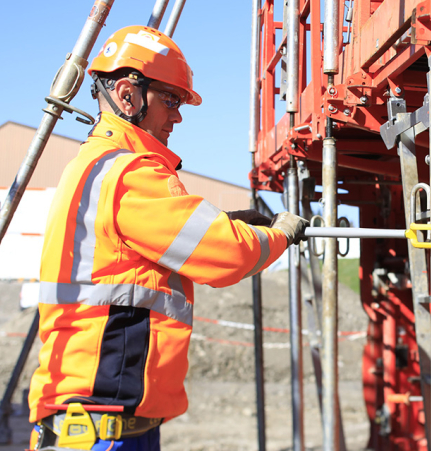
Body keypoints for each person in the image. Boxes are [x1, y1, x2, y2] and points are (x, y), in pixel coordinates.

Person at [27, 26, 307, 450]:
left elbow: (138, 251)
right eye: (171, 100)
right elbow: (227, 255)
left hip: (99, 419)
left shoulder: (100, 165)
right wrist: (282, 234)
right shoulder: (132, 172)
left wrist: (231, 221)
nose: (177, 116)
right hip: (101, 425)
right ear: (127, 94)